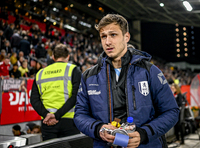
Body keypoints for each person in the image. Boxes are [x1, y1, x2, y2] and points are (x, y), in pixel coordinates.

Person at [74, 14, 179, 148]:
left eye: (113, 35)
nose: (108, 42)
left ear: (126, 37)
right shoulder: (89, 76)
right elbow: (80, 115)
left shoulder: (149, 71)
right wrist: (98, 128)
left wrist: (144, 133)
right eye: (103, 36)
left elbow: (171, 111)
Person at [30, 43, 81, 141]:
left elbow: (34, 100)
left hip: (47, 123)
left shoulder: (40, 73)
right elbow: (76, 97)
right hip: (69, 121)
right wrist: (56, 115)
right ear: (68, 56)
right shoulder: (73, 69)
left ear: (53, 57)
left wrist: (47, 115)